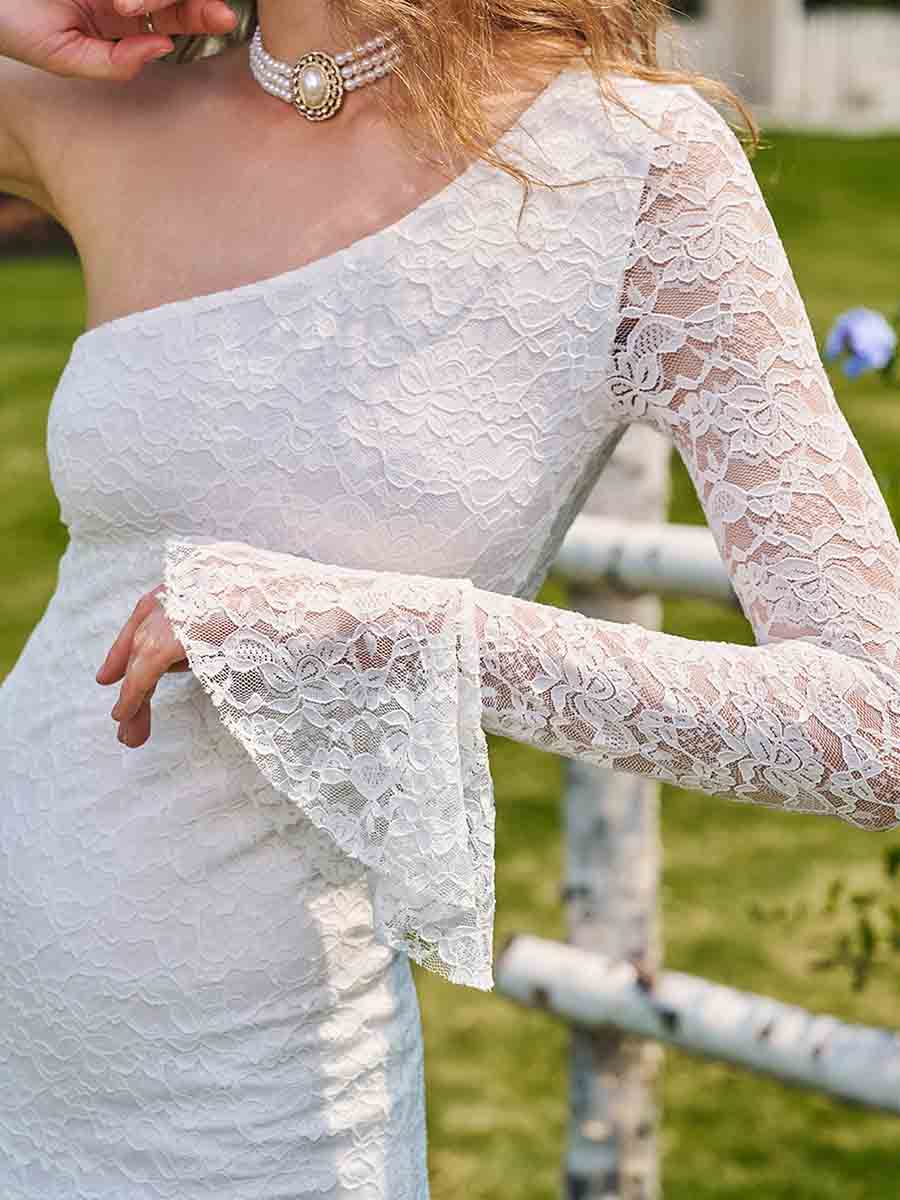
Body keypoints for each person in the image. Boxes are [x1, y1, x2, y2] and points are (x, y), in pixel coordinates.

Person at [2, 0, 899, 1195]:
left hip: (250, 1111)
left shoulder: (634, 165)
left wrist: (387, 635)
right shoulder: (110, 105)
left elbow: (871, 723)